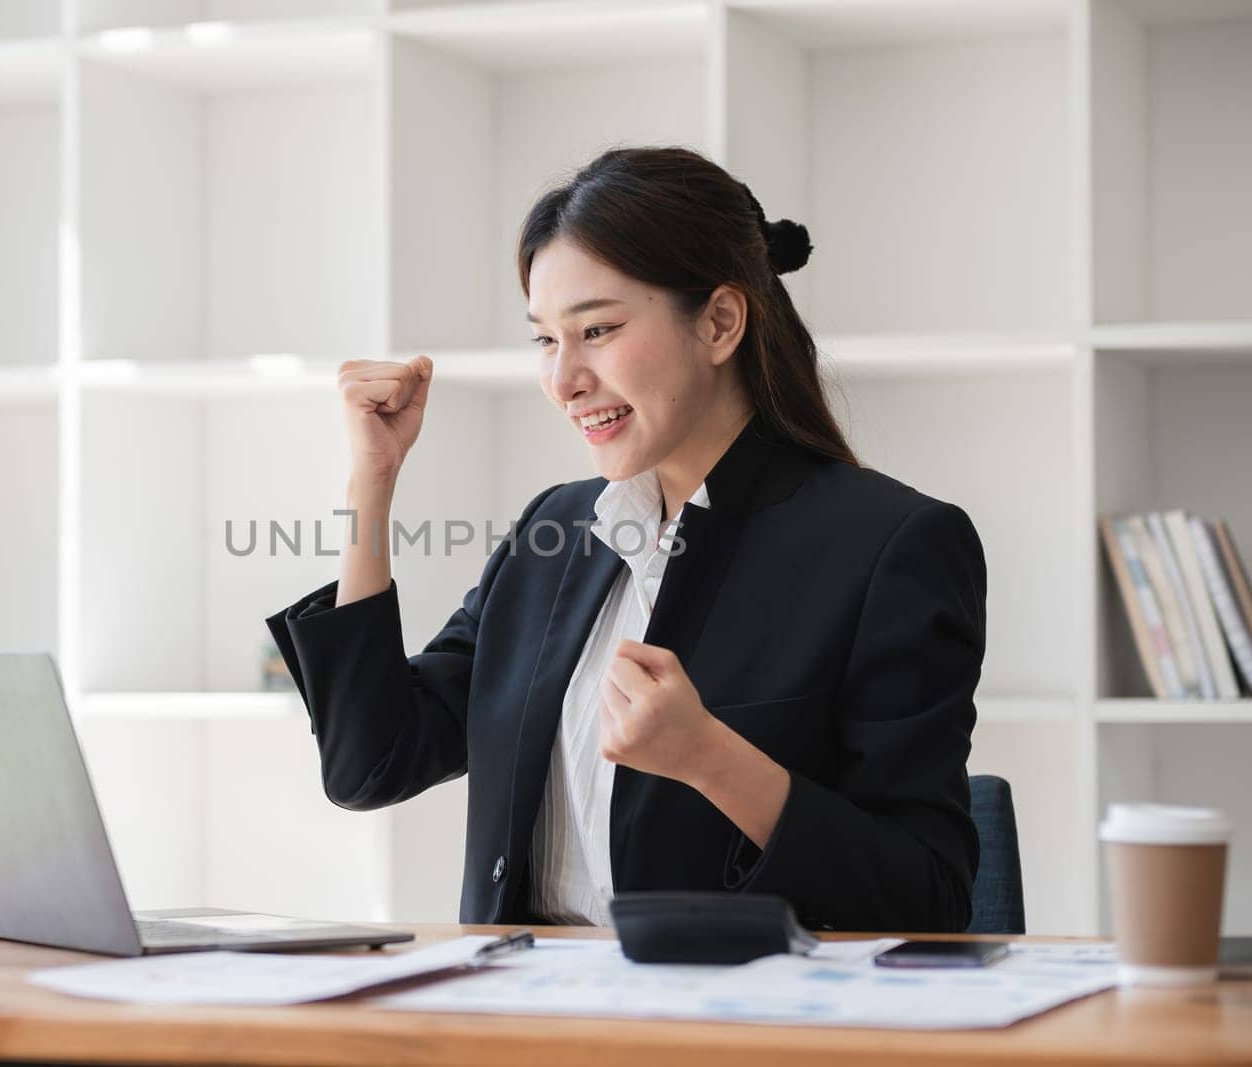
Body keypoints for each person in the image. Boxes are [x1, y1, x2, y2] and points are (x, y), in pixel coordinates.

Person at [265, 146, 986, 933]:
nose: (563, 378)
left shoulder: (891, 546)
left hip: (726, 1032)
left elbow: (928, 894)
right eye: (545, 339)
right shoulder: (557, 531)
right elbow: (371, 762)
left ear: (719, 322)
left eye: (597, 329)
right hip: (522, 1017)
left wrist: (710, 756)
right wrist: (370, 483)